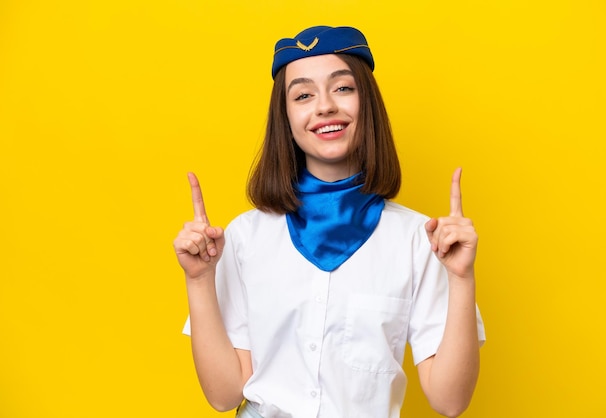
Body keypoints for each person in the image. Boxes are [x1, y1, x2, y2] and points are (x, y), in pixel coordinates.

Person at [174, 25, 486, 418]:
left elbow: (450, 401)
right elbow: (223, 396)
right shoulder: (244, 237)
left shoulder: (419, 240)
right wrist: (199, 280)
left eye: (342, 88)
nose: (324, 107)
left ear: (366, 104)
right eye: (303, 95)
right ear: (285, 117)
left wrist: (461, 279)